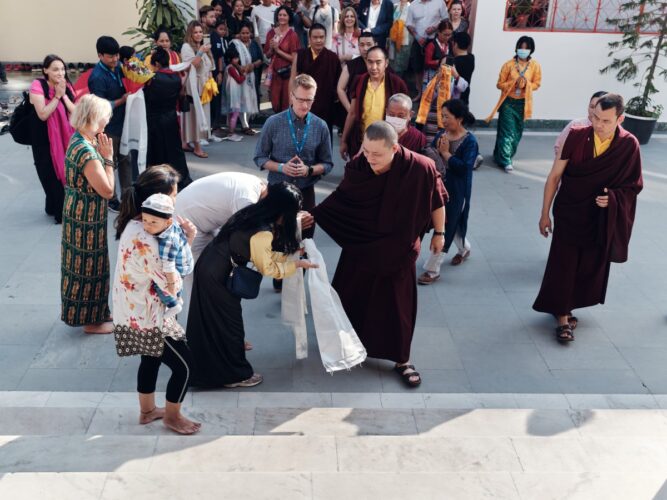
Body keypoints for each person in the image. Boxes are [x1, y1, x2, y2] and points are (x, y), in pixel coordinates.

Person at [311, 121, 446, 387]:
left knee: (399, 306)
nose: (370, 159)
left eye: (377, 154)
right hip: (362, 243)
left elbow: (437, 200)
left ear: (395, 148)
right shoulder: (359, 166)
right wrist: (313, 216)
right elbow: (342, 199)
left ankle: (402, 360)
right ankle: (348, 343)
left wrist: (439, 233)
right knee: (351, 295)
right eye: (366, 151)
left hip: (399, 246)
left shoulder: (420, 168)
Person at [533, 94, 643, 344]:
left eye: (606, 120)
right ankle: (562, 316)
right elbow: (554, 176)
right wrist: (544, 213)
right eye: (595, 117)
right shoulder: (576, 136)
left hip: (600, 217)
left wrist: (613, 198)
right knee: (564, 263)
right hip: (570, 210)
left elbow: (633, 186)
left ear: (620, 118)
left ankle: (570, 305)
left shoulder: (629, 145)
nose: (598, 125)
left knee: (589, 264)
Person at [186, 182, 318, 388]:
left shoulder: (252, 213)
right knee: (230, 325)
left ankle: (211, 371)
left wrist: (290, 256)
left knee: (213, 321)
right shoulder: (263, 232)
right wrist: (296, 264)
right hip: (218, 275)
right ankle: (234, 375)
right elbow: (268, 268)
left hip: (211, 265)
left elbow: (263, 256)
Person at [113, 164, 201, 435]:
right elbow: (176, 276)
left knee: (150, 359)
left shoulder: (135, 223)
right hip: (151, 317)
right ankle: (172, 417)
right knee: (186, 366)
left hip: (131, 310)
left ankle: (147, 410)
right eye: (173, 196)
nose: (176, 200)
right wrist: (189, 239)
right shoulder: (150, 242)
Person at [254, 74, 334, 246]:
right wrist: (281, 167)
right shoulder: (273, 122)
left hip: (305, 192)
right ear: (291, 96)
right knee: (278, 246)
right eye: (301, 99)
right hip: (277, 191)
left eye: (310, 100)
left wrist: (309, 170)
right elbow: (259, 157)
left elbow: (327, 163)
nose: (305, 105)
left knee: (305, 245)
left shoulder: (320, 126)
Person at [61, 94, 115, 334]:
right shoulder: (87, 151)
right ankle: (92, 321)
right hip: (86, 216)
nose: (108, 120)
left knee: (80, 264)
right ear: (95, 117)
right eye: (106, 116)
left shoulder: (79, 139)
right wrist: (109, 160)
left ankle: (96, 312)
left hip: (77, 209)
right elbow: (107, 191)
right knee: (89, 266)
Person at [419, 99, 478, 284]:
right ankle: (465, 249)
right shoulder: (442, 135)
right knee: (450, 223)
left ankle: (432, 269)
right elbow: (431, 155)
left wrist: (446, 154)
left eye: (447, 116)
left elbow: (465, 168)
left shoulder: (470, 141)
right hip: (438, 186)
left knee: (447, 224)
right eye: (442, 116)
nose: (443, 120)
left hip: (457, 190)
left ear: (459, 119)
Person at [29, 54, 76, 224]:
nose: (60, 73)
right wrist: (56, 96)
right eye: (55, 69)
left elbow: (75, 111)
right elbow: (43, 114)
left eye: (62, 69)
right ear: (45, 70)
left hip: (64, 139)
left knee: (62, 172)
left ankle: (55, 207)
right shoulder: (38, 85)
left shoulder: (66, 86)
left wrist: (63, 95)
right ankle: (57, 209)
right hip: (42, 139)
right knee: (48, 174)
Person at [340, 46, 408, 159]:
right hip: (361, 140)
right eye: (370, 62)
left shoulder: (397, 83)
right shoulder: (360, 81)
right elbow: (352, 113)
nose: (373, 67)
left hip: (386, 144)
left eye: (378, 62)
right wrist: (344, 141)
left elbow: (404, 119)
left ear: (386, 63)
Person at [486, 36, 542, 173]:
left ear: (531, 50)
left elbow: (537, 84)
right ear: (516, 48)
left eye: (526, 48)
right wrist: (513, 83)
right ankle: (506, 160)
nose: (523, 50)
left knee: (517, 133)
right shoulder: (508, 65)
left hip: (523, 103)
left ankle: (500, 155)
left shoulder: (535, 66)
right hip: (508, 103)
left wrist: (526, 84)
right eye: (520, 47)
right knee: (507, 132)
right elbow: (499, 84)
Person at [87, 36, 130, 212]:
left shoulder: (119, 67)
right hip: (108, 127)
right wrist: (122, 100)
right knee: (109, 161)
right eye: (110, 56)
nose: (115, 59)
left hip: (123, 123)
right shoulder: (97, 77)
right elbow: (102, 105)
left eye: (116, 56)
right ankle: (111, 198)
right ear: (100, 55)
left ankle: (128, 195)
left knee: (126, 158)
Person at [143, 48, 192, 189]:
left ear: (157, 63)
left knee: (157, 152)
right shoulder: (176, 78)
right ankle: (181, 179)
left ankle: (158, 181)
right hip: (171, 119)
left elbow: (147, 97)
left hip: (155, 120)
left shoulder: (153, 79)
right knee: (174, 151)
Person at [140, 193, 194, 318]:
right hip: (185, 261)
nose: (147, 225)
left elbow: (168, 268)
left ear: (167, 222)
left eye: (153, 222)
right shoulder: (170, 225)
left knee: (159, 284)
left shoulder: (167, 241)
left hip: (179, 267)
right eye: (144, 220)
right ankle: (178, 298)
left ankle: (173, 304)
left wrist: (171, 287)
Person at [291, 23, 342, 140]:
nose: (318, 40)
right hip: (304, 104)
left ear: (325, 37)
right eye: (315, 37)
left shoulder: (332, 57)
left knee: (324, 140)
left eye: (321, 37)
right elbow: (293, 79)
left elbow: (338, 83)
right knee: (303, 140)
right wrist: (292, 102)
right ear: (309, 38)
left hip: (326, 107)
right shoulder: (301, 55)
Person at [180, 21, 215, 159]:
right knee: (195, 115)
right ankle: (197, 146)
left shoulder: (203, 45)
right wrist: (201, 52)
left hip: (204, 85)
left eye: (201, 31)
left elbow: (209, 65)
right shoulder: (186, 47)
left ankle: (185, 142)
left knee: (200, 114)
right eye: (195, 32)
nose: (199, 34)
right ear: (190, 33)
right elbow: (192, 64)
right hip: (194, 85)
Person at [405, 0, 448, 102]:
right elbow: (409, 24)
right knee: (417, 67)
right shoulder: (414, 4)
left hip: (434, 40)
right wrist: (417, 37)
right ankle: (421, 93)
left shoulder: (439, 2)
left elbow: (446, 19)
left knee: (434, 67)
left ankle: (433, 94)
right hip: (418, 40)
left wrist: (435, 28)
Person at [265, 6, 301, 113]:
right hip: (275, 74)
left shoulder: (292, 35)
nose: (282, 17)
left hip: (288, 74)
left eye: (284, 15)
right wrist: (271, 49)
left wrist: (278, 50)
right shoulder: (271, 33)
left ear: (289, 17)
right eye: (280, 15)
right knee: (275, 104)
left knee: (287, 104)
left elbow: (294, 58)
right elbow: (267, 55)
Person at [223, 40, 259, 142]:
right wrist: (244, 75)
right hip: (234, 94)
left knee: (233, 113)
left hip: (233, 93)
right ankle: (231, 132)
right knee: (235, 113)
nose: (237, 60)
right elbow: (239, 80)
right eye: (235, 58)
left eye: (237, 58)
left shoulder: (230, 68)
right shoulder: (231, 69)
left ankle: (231, 130)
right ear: (230, 59)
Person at [554, 91, 608, 158]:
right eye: (592, 107)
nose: (594, 111)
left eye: (598, 108)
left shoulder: (613, 130)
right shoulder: (576, 124)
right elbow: (558, 147)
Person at [336, 31, 375, 114]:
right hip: (354, 107)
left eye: (369, 44)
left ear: (375, 44)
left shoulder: (381, 65)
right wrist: (350, 110)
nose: (365, 48)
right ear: (358, 46)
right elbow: (340, 88)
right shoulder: (350, 65)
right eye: (362, 45)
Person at [237, 22, 264, 125]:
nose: (245, 35)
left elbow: (260, 59)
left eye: (247, 33)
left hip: (253, 75)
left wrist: (253, 65)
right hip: (240, 75)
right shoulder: (235, 44)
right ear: (239, 34)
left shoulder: (254, 44)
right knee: (243, 98)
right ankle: (243, 123)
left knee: (253, 96)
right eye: (243, 33)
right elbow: (232, 60)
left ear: (251, 33)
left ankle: (251, 119)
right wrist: (242, 68)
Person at [422, 20, 453, 91]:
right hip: (432, 74)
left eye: (450, 35)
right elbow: (427, 62)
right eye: (445, 34)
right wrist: (441, 62)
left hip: (446, 75)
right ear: (438, 32)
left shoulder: (450, 44)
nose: (447, 37)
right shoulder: (431, 45)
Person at [388, 0, 412, 78]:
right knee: (392, 62)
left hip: (405, 39)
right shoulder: (395, 6)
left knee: (401, 64)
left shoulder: (411, 8)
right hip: (393, 38)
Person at [451, 31, 474, 105]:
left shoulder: (453, 62)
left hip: (454, 99)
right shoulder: (472, 57)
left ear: (455, 44)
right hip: (465, 95)